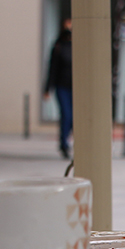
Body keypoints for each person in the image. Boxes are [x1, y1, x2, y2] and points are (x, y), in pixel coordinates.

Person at [44, 18, 73, 159]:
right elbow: (52, 68)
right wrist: (47, 88)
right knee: (66, 115)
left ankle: (71, 141)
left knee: (75, 118)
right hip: (62, 86)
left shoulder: (79, 45)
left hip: (76, 88)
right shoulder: (58, 45)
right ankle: (63, 143)